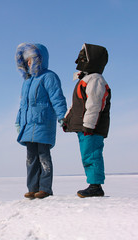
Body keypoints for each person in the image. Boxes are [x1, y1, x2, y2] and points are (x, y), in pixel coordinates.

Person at [15, 43, 67, 199]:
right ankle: (32, 188)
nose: (29, 63)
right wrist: (18, 122)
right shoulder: (27, 82)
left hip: (43, 123)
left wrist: (62, 116)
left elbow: (57, 98)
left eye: (32, 59)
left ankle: (45, 188)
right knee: (31, 158)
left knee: (43, 156)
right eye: (27, 60)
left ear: (40, 59)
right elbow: (23, 105)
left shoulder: (49, 76)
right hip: (27, 125)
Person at [62, 43, 111, 198]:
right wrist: (67, 120)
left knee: (92, 154)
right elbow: (75, 105)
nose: (79, 60)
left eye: (83, 56)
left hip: (92, 127)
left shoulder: (95, 80)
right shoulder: (84, 79)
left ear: (92, 59)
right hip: (84, 127)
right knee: (87, 154)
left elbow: (94, 104)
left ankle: (96, 186)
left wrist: (89, 125)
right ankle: (93, 183)